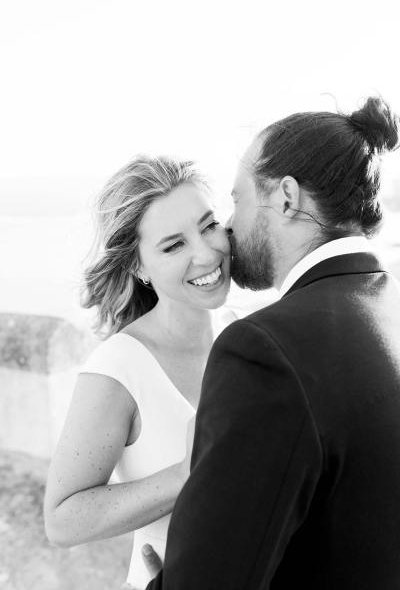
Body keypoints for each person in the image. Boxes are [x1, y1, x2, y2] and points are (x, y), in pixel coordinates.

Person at [144, 96, 400, 589]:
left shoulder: (264, 349)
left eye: (237, 200)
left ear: (286, 197)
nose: (230, 227)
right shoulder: (388, 311)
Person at [44, 155, 235, 589]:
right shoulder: (119, 368)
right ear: (137, 266)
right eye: (173, 245)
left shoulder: (251, 337)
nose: (206, 254)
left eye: (208, 226)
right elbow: (62, 520)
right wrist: (187, 474)